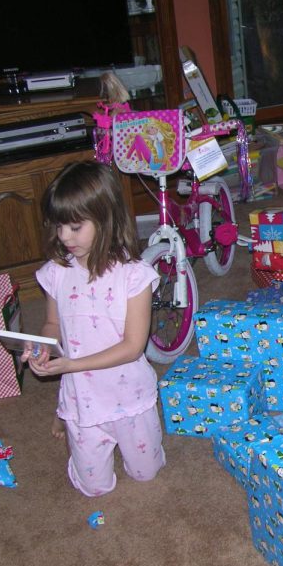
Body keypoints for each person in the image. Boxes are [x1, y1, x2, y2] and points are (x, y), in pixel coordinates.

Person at [23, 161, 165, 497]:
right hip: (83, 399)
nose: (64, 237)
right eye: (58, 227)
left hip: (129, 394)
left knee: (147, 474)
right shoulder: (57, 272)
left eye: (74, 227)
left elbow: (133, 347)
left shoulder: (134, 275)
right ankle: (67, 417)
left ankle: (65, 417)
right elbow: (53, 323)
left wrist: (71, 364)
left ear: (105, 218)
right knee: (94, 488)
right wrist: (43, 347)